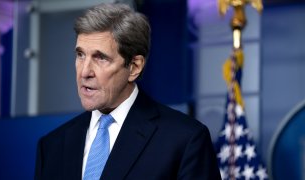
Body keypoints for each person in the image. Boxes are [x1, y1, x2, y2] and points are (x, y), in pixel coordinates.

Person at [35, 3, 221, 180]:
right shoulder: (52, 146)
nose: (84, 72)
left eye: (100, 58)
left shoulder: (185, 140)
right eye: (80, 55)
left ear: (134, 67)